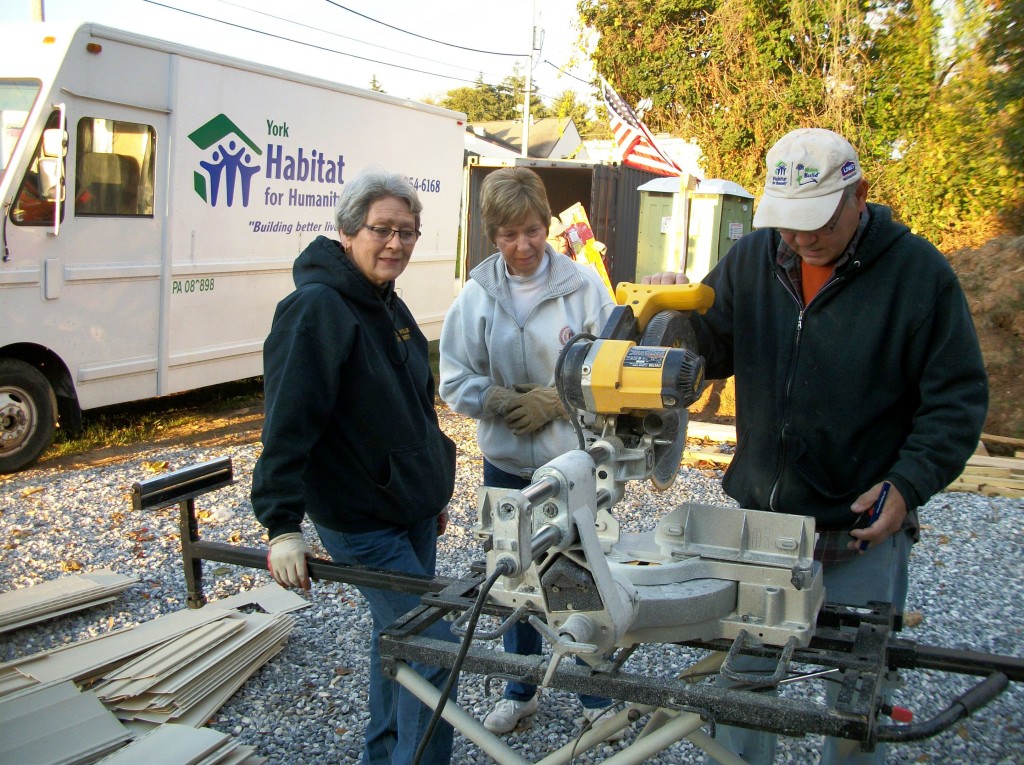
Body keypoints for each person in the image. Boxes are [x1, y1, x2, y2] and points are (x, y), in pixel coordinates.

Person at [646, 128, 988, 764]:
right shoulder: (752, 259)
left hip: (857, 533)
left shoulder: (918, 277)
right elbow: (711, 351)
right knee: (744, 695)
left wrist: (908, 483)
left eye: (816, 225)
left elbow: (957, 400)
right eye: (787, 225)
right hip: (756, 532)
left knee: (855, 709)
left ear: (859, 195)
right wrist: (675, 316)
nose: (800, 240)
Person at [250, 168, 459, 765]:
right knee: (434, 649)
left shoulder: (386, 303)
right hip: (363, 520)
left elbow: (416, 405)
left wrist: (430, 489)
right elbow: (288, 422)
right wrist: (283, 526)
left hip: (409, 512)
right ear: (346, 231)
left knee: (397, 642)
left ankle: (384, 756)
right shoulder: (316, 308)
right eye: (382, 230)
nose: (395, 244)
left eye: (408, 233)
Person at [438, 167, 622, 738]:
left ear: (549, 226)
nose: (522, 246)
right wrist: (492, 398)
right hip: (505, 463)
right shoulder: (476, 296)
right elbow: (452, 377)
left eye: (533, 231)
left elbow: (609, 372)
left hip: (568, 465)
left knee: (576, 571)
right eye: (508, 234)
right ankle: (521, 690)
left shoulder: (583, 288)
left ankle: (594, 697)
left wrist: (556, 402)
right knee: (512, 574)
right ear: (491, 234)